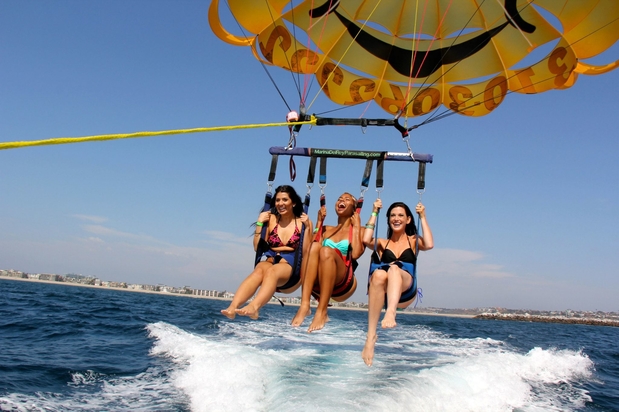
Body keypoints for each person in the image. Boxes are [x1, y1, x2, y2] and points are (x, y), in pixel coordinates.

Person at [221, 185, 311, 320]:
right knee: (259, 270)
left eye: (285, 200)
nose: (280, 203)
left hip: (291, 262)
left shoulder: (302, 222)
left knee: (272, 272)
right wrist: (259, 224)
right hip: (270, 257)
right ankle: (233, 307)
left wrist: (308, 227)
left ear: (294, 203)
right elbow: (257, 248)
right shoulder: (271, 219)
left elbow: (306, 252)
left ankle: (255, 306)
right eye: (278, 200)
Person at [361, 199, 434, 366]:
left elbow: (429, 244)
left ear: (408, 219)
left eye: (401, 215)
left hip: (406, 290)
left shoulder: (413, 240)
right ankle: (371, 336)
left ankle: (391, 312)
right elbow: (365, 239)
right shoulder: (382, 243)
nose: (396, 218)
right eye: (392, 215)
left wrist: (422, 216)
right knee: (379, 274)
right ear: (388, 220)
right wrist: (374, 212)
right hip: (384, 292)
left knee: (393, 269)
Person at [291, 192, 365, 332]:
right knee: (316, 247)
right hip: (319, 278)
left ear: (355, 209)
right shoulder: (326, 229)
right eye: (339, 198)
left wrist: (356, 226)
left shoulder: (360, 229)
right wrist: (319, 222)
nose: (341, 200)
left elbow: (355, 254)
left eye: (347, 199)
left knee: (326, 251)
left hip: (343, 280)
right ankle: (304, 305)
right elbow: (308, 252)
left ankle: (322, 311)